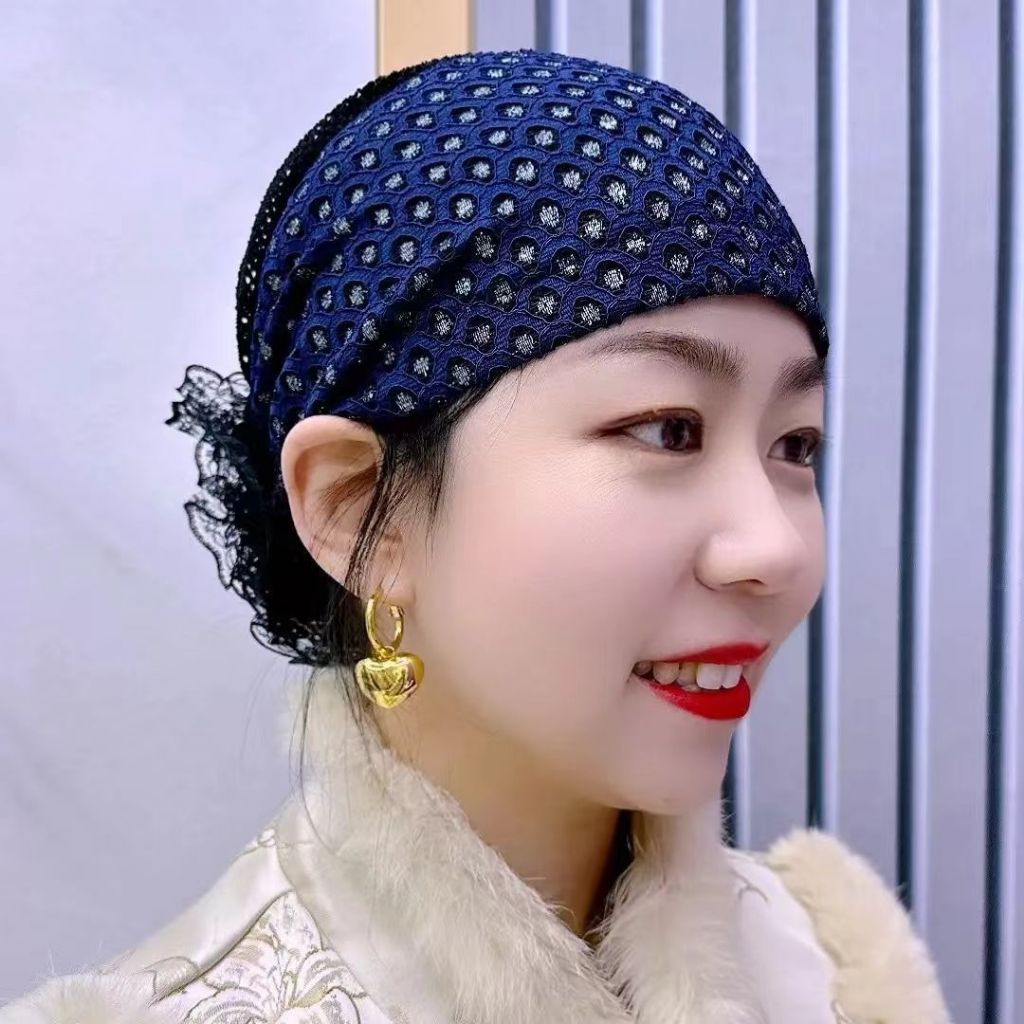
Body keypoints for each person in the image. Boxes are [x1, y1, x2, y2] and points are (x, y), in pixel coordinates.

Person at [3, 48, 952, 1024]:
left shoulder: (839, 976)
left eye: (795, 445)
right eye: (669, 429)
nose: (776, 549)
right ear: (356, 508)